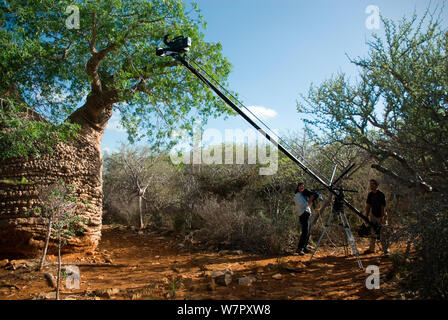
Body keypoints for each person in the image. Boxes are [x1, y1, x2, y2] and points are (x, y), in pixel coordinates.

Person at [364, 179, 388, 254]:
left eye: (373, 184)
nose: (371, 186)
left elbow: (382, 206)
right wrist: (366, 216)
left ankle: (386, 250)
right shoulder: (370, 194)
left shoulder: (381, 194)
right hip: (373, 215)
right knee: (372, 232)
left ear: (376, 185)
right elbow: (368, 206)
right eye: (370, 184)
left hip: (381, 215)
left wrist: (382, 217)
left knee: (383, 233)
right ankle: (371, 249)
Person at [294, 182, 315, 255]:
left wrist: (311, 199)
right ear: (297, 187)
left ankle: (304, 247)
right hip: (303, 214)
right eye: (300, 187)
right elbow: (303, 205)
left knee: (308, 231)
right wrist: (310, 200)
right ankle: (300, 248)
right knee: (305, 231)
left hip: (307, 214)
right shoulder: (297, 195)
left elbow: (308, 206)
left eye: (302, 187)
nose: (301, 188)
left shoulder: (303, 195)